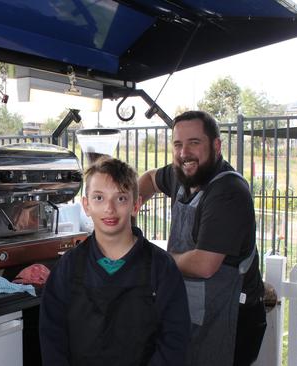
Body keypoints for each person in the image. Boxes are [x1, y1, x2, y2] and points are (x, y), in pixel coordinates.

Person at [138, 110, 266, 366]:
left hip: (232, 320)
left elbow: (204, 265)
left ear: (216, 146)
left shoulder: (228, 192)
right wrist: (126, 211)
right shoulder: (183, 175)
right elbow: (150, 178)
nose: (184, 152)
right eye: (178, 144)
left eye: (194, 143)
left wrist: (146, 257)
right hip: (190, 312)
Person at [40, 156, 190, 365]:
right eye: (99, 198)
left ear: (135, 205)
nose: (109, 209)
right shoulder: (69, 267)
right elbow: (52, 337)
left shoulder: (161, 267)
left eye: (120, 198)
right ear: (86, 205)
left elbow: (174, 339)